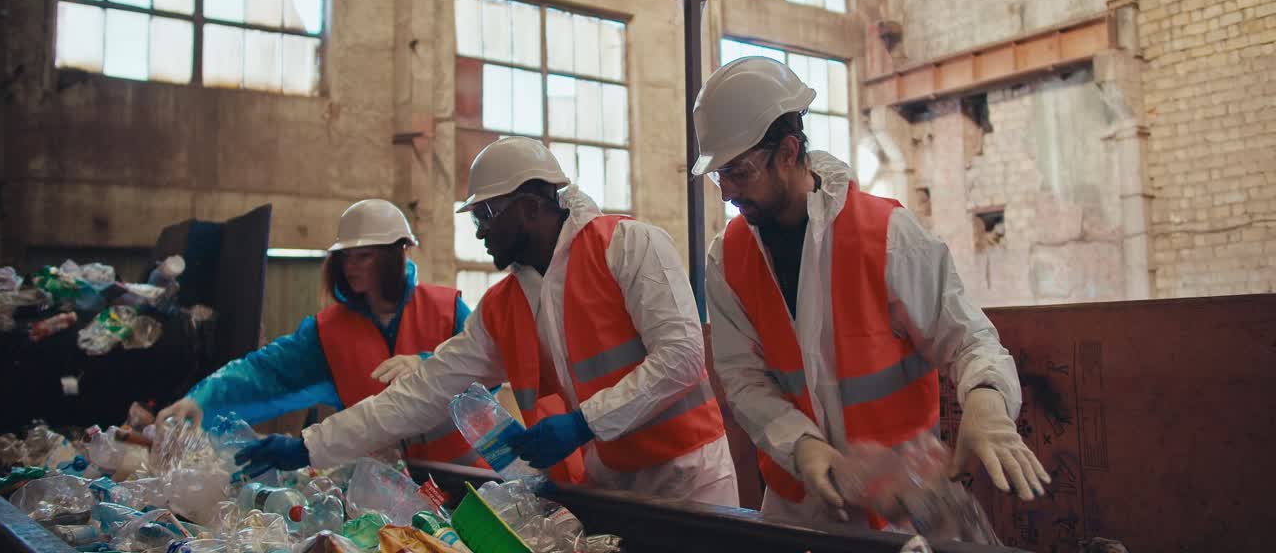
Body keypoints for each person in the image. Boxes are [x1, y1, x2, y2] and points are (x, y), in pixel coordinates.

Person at [235, 137, 740, 506]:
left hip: (688, 478)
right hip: (607, 485)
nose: (479, 232)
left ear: (528, 206)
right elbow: (421, 394)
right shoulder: (503, 306)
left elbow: (682, 356)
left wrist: (584, 423)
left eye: (485, 216)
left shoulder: (628, 245)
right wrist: (306, 446)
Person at [692, 56, 1049, 528]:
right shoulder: (728, 259)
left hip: (903, 509)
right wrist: (803, 445)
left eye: (739, 172)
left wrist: (986, 399)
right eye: (720, 175)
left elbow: (968, 340)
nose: (726, 192)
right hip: (799, 507)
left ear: (788, 152)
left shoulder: (888, 236)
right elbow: (743, 378)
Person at [156, 199, 484, 468]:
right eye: (345, 257)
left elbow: (483, 369)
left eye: (364, 256)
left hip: (462, 476)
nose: (350, 267)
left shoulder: (447, 309)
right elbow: (264, 372)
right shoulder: (328, 332)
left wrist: (428, 364)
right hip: (385, 491)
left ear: (398, 252)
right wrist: (200, 399)